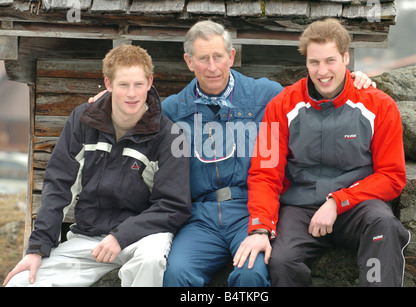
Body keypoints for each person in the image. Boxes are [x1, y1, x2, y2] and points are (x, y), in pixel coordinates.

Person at [160, 20, 374, 287]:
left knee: (251, 273)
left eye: (218, 56)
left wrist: (354, 80)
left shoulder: (267, 95)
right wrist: (107, 100)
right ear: (189, 62)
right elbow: (133, 116)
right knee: (176, 273)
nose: (212, 66)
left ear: (232, 56)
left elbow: (315, 94)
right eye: (203, 58)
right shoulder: (171, 110)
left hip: (250, 208)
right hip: (200, 216)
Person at [3, 45, 191, 287]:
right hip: (89, 239)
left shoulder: (170, 136)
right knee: (20, 282)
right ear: (108, 84)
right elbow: (59, 185)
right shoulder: (82, 121)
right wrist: (37, 248)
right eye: (123, 85)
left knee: (151, 261)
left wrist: (121, 237)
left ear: (150, 82)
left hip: (143, 238)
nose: (132, 94)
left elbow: (173, 206)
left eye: (138, 84)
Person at [243, 18, 411, 287]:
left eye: (330, 61)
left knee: (385, 228)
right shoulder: (281, 105)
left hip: (358, 206)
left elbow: (391, 176)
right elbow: (265, 173)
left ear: (346, 57)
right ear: (306, 62)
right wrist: (261, 227)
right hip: (299, 209)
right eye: (314, 62)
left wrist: (338, 201)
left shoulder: (379, 105)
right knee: (281, 260)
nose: (322, 71)